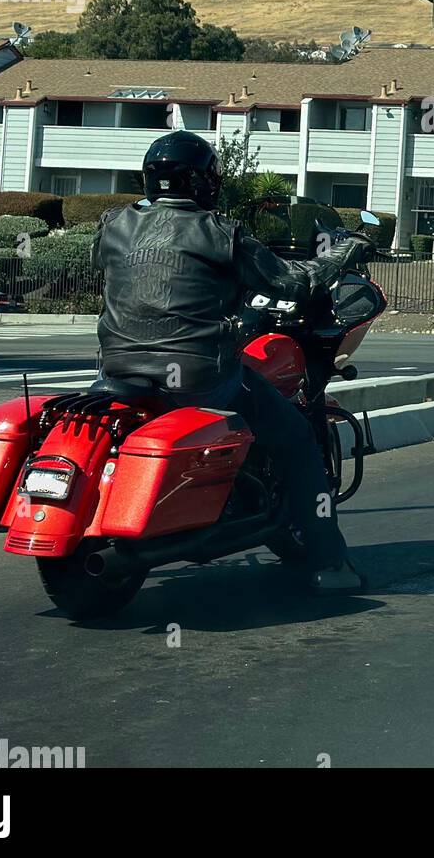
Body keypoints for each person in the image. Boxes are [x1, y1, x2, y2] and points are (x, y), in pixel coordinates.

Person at [91, 131, 376, 596]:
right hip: (199, 376)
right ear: (204, 183)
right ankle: (330, 565)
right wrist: (346, 251)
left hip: (116, 370)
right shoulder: (220, 233)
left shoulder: (114, 224)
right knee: (297, 438)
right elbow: (293, 283)